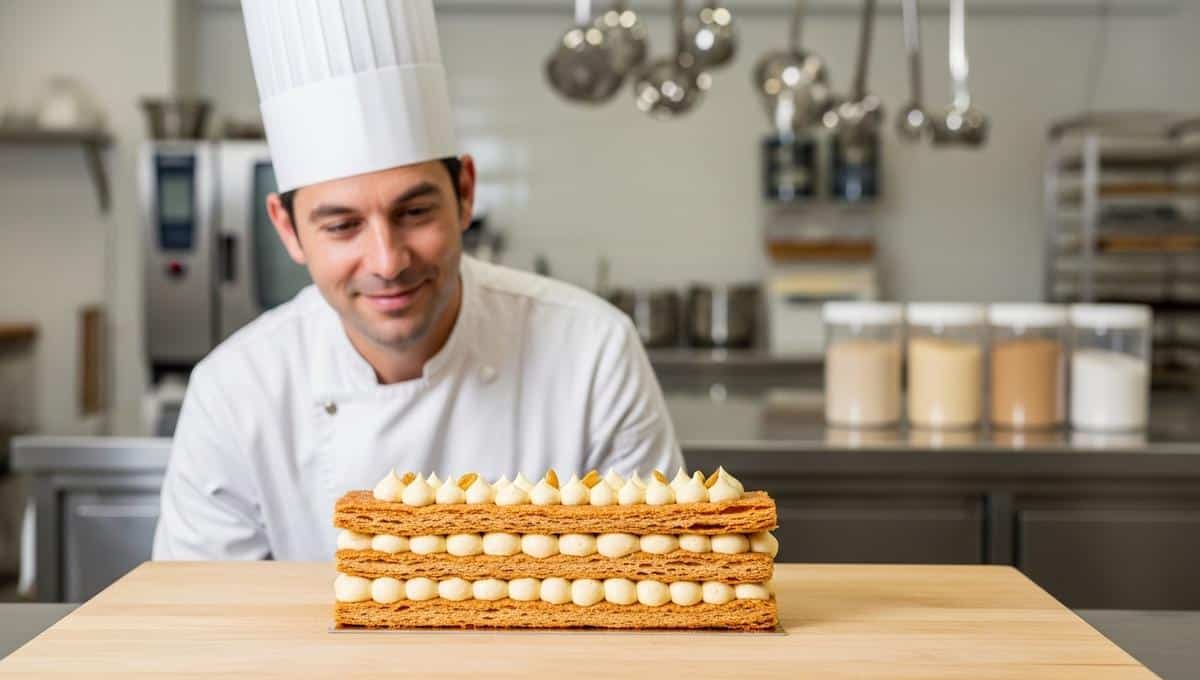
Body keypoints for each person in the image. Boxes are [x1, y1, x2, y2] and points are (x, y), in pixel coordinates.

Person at [152, 0, 682, 560]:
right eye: (342, 226)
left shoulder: (594, 353)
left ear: (465, 193)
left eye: (414, 213)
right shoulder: (235, 394)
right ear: (288, 228)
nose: (387, 261)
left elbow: (653, 590)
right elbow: (204, 623)